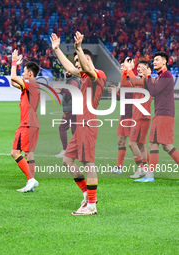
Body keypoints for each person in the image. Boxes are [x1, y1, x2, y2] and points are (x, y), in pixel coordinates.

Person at [51, 32, 106, 215]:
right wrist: (57, 50)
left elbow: (88, 70)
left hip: (88, 124)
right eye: (75, 61)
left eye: (79, 60)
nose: (75, 65)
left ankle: (91, 205)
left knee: (88, 163)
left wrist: (78, 48)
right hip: (80, 125)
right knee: (68, 160)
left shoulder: (98, 74)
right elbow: (69, 66)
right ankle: (87, 194)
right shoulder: (83, 76)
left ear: (87, 59)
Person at [136, 51, 179, 182]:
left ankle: (150, 175)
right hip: (164, 114)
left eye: (157, 60)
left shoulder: (166, 75)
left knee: (154, 143)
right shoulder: (161, 76)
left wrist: (148, 76)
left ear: (165, 61)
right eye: (153, 60)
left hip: (163, 114)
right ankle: (150, 175)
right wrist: (146, 77)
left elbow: (153, 91)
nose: (154, 62)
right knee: (165, 145)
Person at [10, 49, 40, 193]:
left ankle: (31, 179)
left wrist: (14, 62)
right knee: (28, 154)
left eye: (24, 71)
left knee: (15, 152)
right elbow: (12, 81)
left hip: (27, 124)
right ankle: (31, 182)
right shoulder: (30, 87)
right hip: (32, 124)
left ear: (30, 74)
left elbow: (13, 77)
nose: (22, 73)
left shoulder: (32, 84)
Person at [119, 58, 152, 178]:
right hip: (141, 116)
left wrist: (128, 69)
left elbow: (133, 80)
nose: (139, 69)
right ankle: (147, 168)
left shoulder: (148, 80)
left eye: (142, 67)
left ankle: (140, 168)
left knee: (131, 143)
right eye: (138, 67)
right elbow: (124, 83)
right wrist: (125, 72)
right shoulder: (138, 82)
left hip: (141, 116)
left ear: (148, 70)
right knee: (141, 144)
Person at [109, 62, 134, 173]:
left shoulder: (132, 81)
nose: (121, 68)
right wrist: (116, 93)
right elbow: (122, 98)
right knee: (120, 141)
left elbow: (130, 97)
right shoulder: (123, 81)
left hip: (131, 117)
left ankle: (145, 166)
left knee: (136, 144)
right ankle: (119, 167)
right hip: (124, 116)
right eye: (121, 66)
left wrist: (117, 92)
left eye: (123, 66)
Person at [54, 71, 80, 158]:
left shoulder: (73, 81)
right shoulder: (73, 80)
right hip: (74, 108)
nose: (66, 72)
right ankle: (77, 150)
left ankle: (65, 150)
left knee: (62, 128)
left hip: (71, 109)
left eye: (68, 70)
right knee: (74, 130)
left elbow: (73, 93)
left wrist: (62, 90)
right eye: (65, 70)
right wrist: (61, 92)